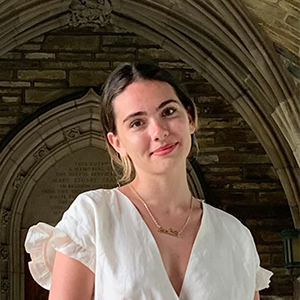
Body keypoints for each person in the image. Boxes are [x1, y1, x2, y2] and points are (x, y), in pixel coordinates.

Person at [25, 61, 273, 300]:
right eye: (137, 122)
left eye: (168, 111)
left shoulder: (235, 236)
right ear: (117, 143)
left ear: (190, 119)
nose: (159, 131)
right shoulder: (93, 217)